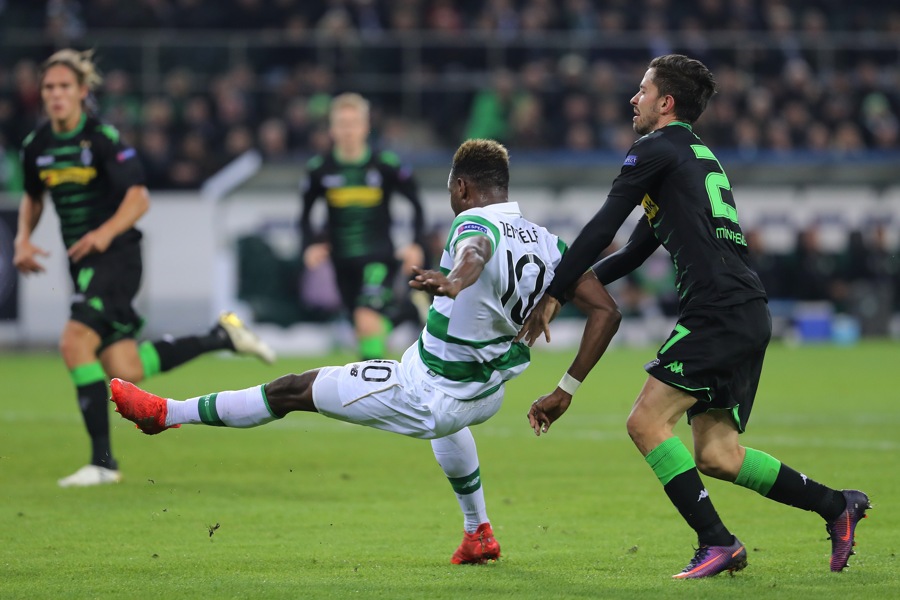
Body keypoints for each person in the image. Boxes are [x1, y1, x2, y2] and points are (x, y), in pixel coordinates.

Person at [110, 139, 622, 564]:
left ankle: (165, 414)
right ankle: (478, 532)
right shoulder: (547, 242)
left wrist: (453, 279)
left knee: (294, 389)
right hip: (483, 391)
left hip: (429, 392)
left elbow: (475, 251)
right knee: (451, 422)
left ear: (461, 187)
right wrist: (565, 390)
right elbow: (607, 312)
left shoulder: (473, 222)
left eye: (450, 188)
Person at [517, 54, 870, 578]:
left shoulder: (654, 149)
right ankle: (836, 505)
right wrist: (569, 295)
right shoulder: (694, 158)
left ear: (666, 103)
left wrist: (553, 288)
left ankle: (718, 541)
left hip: (717, 309)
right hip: (747, 309)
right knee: (719, 455)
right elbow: (632, 254)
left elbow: (600, 228)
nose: (632, 100)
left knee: (645, 423)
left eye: (641, 91)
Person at [13, 49, 276, 488]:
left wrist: (103, 233)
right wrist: (23, 238)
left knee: (74, 342)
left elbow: (139, 198)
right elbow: (34, 197)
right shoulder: (37, 146)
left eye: (63, 87)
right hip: (81, 264)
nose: (56, 95)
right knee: (126, 365)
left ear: (81, 91)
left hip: (117, 258)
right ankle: (222, 335)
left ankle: (102, 464)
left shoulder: (102, 139)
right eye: (48, 88)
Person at [299, 92, 429, 360]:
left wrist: (416, 243)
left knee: (366, 319)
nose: (348, 131)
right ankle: (406, 314)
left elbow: (416, 204)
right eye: (342, 124)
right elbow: (305, 215)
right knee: (364, 328)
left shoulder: (385, 165)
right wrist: (310, 245)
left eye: (354, 123)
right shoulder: (319, 169)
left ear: (365, 126)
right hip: (342, 261)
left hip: (378, 257)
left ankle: (372, 391)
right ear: (333, 129)